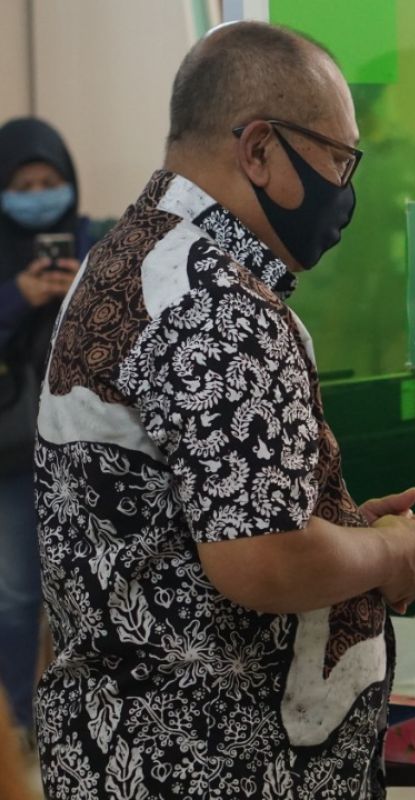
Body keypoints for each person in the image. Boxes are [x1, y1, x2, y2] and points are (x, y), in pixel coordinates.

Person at [33, 22, 415, 799]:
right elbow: (262, 558)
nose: (345, 186)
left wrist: (345, 531)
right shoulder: (217, 304)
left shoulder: (130, 259)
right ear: (259, 148)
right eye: (338, 158)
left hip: (119, 753)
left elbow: (191, 521)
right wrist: (391, 554)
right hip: (219, 765)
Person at [0, 117, 87, 746]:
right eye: (23, 183)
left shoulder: (97, 242)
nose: (37, 193)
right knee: (15, 595)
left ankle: (80, 716)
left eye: (48, 181)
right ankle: (19, 724)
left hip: (85, 451)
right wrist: (16, 297)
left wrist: (81, 287)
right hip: (9, 456)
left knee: (86, 590)